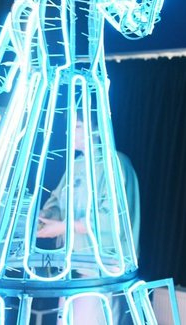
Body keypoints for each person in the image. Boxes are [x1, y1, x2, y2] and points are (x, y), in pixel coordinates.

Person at [37, 114, 141, 324]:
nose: (69, 132)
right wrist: (43, 219)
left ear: (97, 129)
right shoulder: (75, 166)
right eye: (69, 127)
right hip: (71, 270)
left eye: (77, 126)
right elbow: (56, 202)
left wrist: (65, 227)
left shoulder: (115, 163)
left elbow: (112, 218)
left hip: (102, 272)